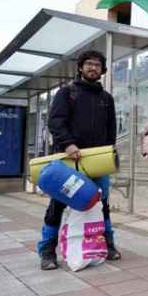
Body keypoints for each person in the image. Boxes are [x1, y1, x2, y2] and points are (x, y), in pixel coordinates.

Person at [38, 50, 120, 270]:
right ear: (80, 67)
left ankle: (108, 243)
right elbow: (55, 122)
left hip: (97, 162)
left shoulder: (107, 98)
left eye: (97, 65)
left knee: (102, 203)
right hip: (69, 161)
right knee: (57, 204)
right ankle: (47, 250)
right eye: (89, 64)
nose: (93, 68)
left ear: (102, 70)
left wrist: (108, 154)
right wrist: (68, 143)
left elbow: (111, 130)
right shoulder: (67, 93)